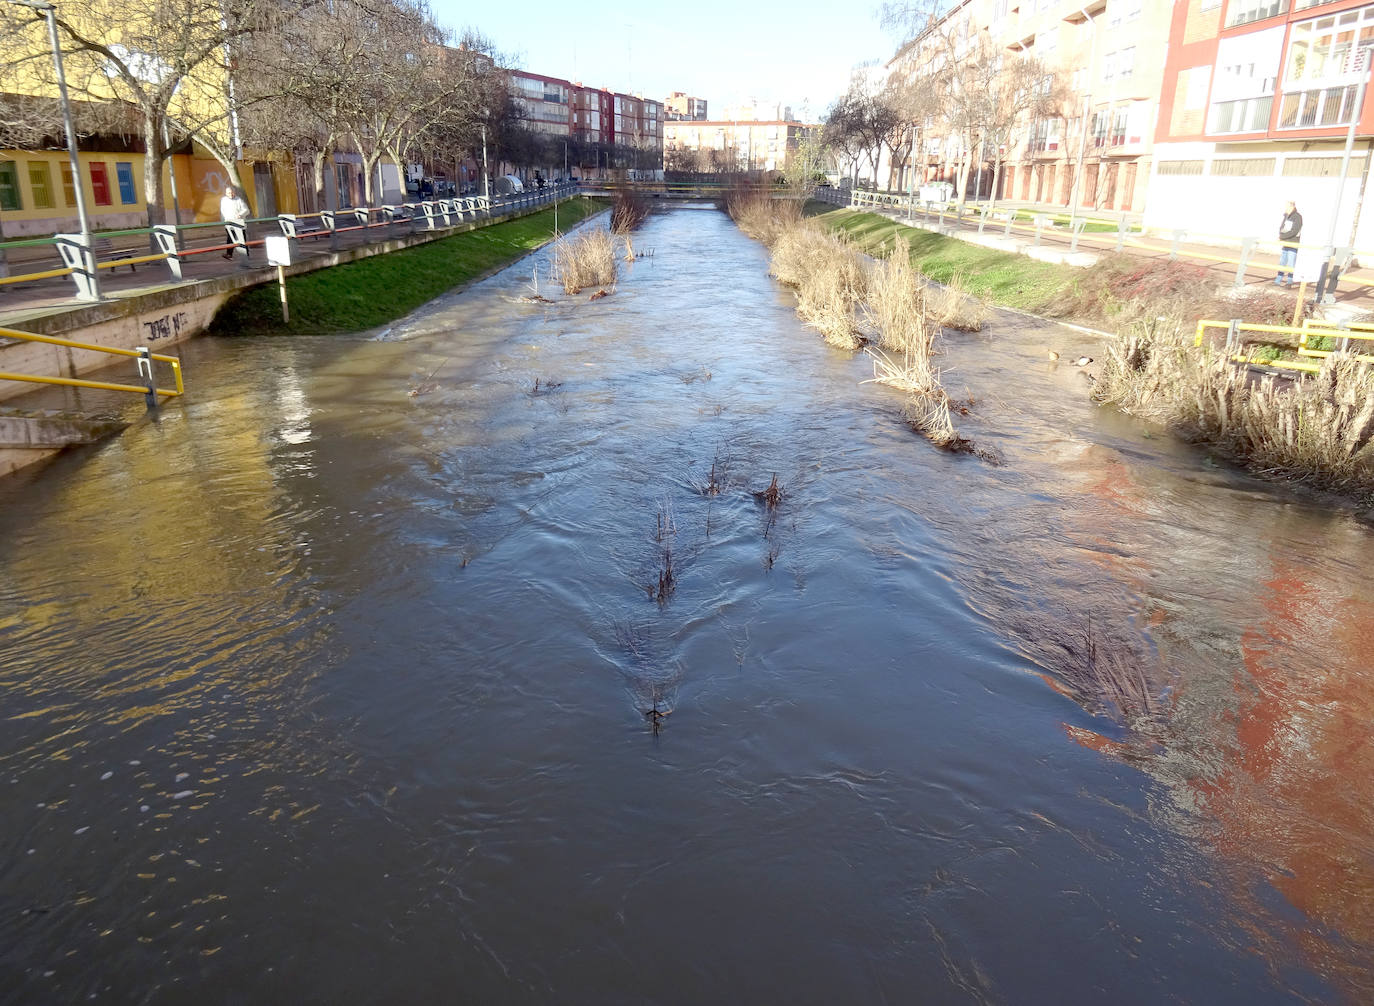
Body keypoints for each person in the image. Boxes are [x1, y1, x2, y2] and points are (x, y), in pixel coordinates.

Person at [220, 184, 251, 261]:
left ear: (234, 192)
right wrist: (224, 220)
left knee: (242, 240)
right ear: (226, 193)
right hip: (229, 223)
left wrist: (240, 214)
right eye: (229, 193)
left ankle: (246, 255)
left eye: (232, 192)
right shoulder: (223, 200)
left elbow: (246, 210)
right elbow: (222, 211)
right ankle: (229, 254)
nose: (230, 194)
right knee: (230, 239)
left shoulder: (239, 200)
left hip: (239, 224)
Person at [1277, 200, 1302, 287]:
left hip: (1293, 244)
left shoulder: (1297, 217)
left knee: (1291, 263)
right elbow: (1282, 227)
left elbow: (1294, 231)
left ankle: (1289, 282)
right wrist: (1281, 235)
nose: (1285, 208)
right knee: (1282, 263)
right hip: (1286, 243)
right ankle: (1278, 280)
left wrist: (1282, 237)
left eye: (1287, 207)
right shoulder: (1287, 216)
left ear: (1292, 207)